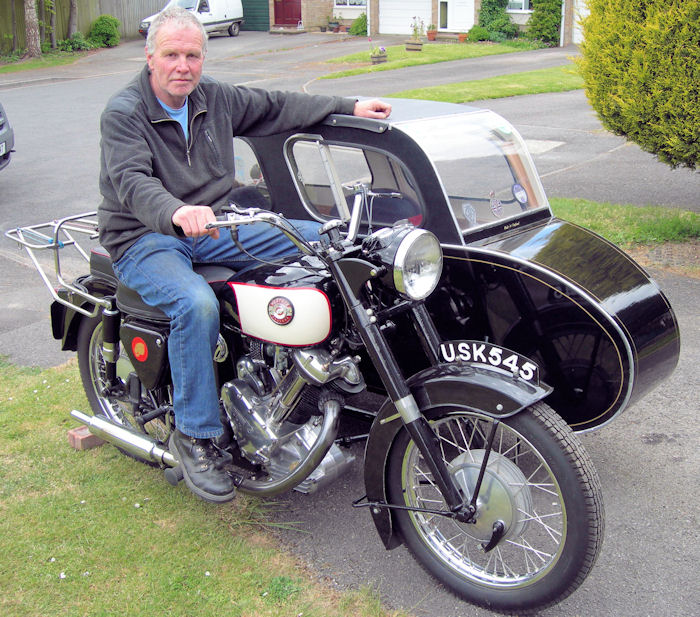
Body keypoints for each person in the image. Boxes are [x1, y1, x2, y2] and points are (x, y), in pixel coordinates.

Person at [98, 6, 391, 503]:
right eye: (171, 55)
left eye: (193, 55)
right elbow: (131, 181)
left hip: (215, 226)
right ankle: (195, 437)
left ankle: (323, 376)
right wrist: (175, 211)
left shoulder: (214, 97)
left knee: (330, 241)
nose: (183, 66)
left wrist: (352, 104)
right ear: (151, 56)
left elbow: (278, 106)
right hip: (144, 236)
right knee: (195, 304)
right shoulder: (124, 112)